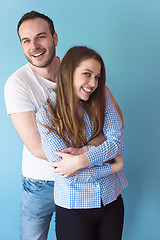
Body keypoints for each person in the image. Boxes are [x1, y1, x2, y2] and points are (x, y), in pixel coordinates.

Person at [4, 11, 124, 240]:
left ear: (54, 38)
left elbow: (117, 128)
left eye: (41, 37)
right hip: (41, 182)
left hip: (92, 183)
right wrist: (112, 165)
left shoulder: (81, 68)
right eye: (26, 40)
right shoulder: (17, 84)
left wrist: (83, 154)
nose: (34, 46)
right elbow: (39, 148)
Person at [36, 46, 128, 240]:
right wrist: (113, 167)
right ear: (69, 72)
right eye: (87, 74)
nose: (93, 83)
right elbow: (68, 174)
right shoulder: (46, 114)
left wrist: (82, 159)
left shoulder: (101, 98)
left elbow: (116, 143)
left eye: (97, 77)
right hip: (74, 208)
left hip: (111, 200)